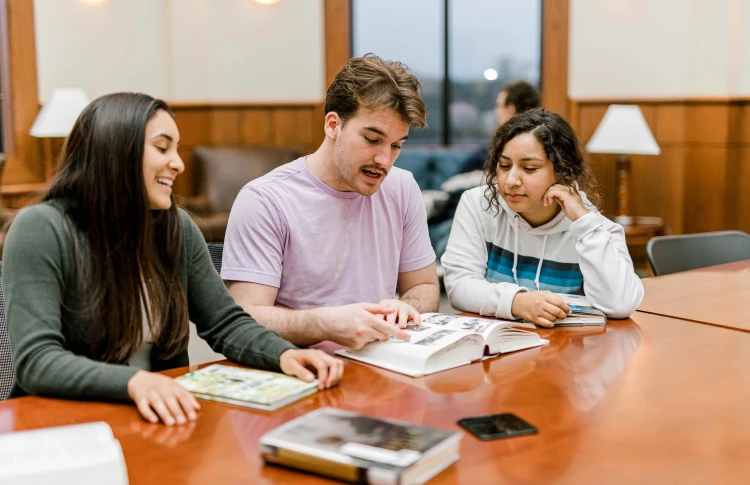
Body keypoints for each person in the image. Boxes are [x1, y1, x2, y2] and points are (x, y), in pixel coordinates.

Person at [2, 93, 342, 426]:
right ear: (115, 151)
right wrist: (134, 382)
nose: (178, 163)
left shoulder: (176, 227)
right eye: (162, 148)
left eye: (176, 149)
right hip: (64, 428)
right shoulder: (41, 229)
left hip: (157, 417)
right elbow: (37, 361)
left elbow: (224, 322)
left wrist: (282, 354)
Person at [222, 54, 440, 350]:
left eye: (396, 145)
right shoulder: (265, 200)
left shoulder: (402, 187)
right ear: (333, 125)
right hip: (300, 372)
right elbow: (245, 318)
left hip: (384, 365)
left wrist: (408, 307)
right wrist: (324, 324)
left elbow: (424, 286)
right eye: (372, 139)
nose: (384, 160)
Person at [441, 108, 643, 326]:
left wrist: (584, 225)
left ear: (562, 171)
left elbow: (621, 304)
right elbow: (459, 285)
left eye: (529, 168)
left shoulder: (591, 225)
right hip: (494, 343)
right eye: (504, 165)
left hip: (564, 350)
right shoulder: (477, 204)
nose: (510, 180)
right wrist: (517, 302)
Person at [427, 81, 542, 264]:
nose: (496, 111)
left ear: (510, 108)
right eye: (504, 165)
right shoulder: (490, 148)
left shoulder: (496, 150)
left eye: (498, 105)